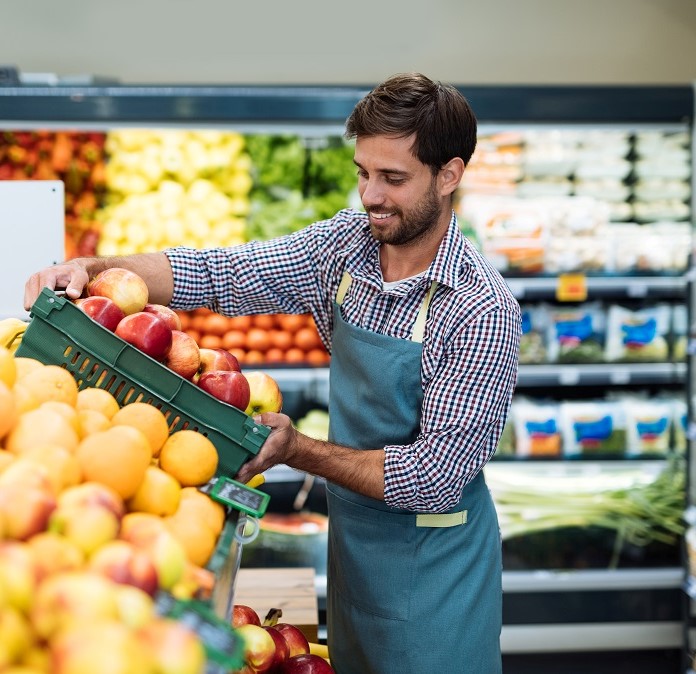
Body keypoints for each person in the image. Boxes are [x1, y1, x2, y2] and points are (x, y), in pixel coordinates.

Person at [24, 72, 521, 674]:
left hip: (439, 574)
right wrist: (92, 268)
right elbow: (226, 272)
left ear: (449, 175)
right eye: (364, 173)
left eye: (394, 178)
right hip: (356, 550)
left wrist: (297, 449)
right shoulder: (347, 248)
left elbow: (434, 475)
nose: (371, 196)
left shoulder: (480, 309)